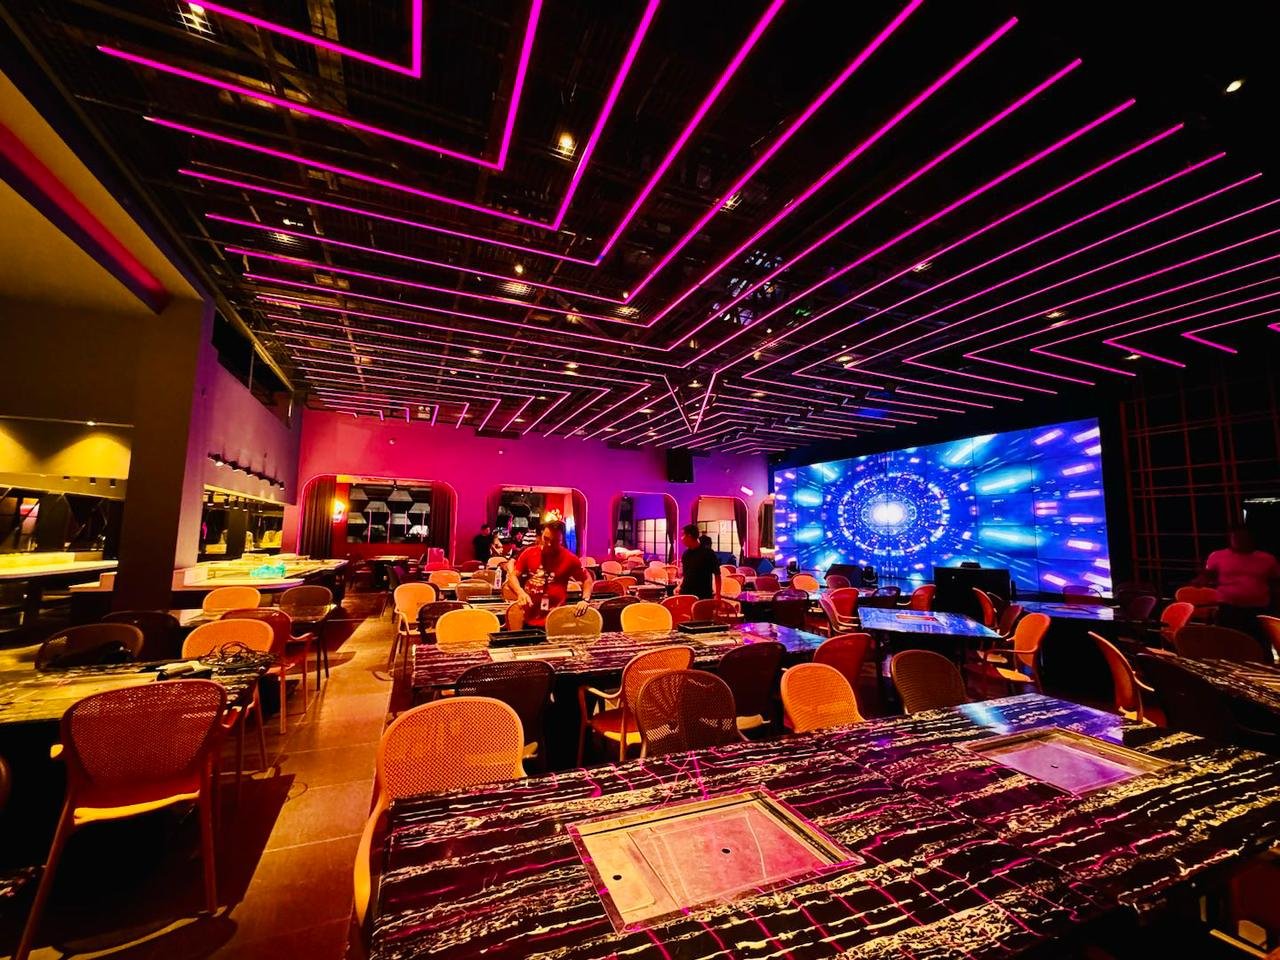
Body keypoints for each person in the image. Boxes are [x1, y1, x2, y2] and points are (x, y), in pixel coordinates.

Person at [507, 520, 593, 626]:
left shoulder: (569, 558)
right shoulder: (529, 553)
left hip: (556, 618)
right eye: (546, 539)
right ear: (542, 534)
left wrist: (585, 600)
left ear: (561, 540)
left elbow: (586, 579)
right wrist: (520, 592)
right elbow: (512, 577)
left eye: (555, 541)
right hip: (529, 616)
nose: (548, 544)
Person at [1202, 526, 1278, 639]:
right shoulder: (1217, 556)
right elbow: (1207, 576)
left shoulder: (1267, 558)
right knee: (1228, 640)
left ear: (1250, 539)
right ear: (1230, 539)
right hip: (1228, 607)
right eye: (1236, 537)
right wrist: (1199, 582)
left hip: (1257, 608)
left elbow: (1275, 581)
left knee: (1258, 640)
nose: (1239, 540)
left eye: (1243, 538)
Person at [678, 524, 721, 600]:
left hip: (703, 596)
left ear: (689, 536)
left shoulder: (708, 553)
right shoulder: (685, 554)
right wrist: (679, 587)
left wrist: (718, 595)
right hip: (685, 594)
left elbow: (717, 575)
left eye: (683, 535)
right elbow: (686, 576)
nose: (681, 538)